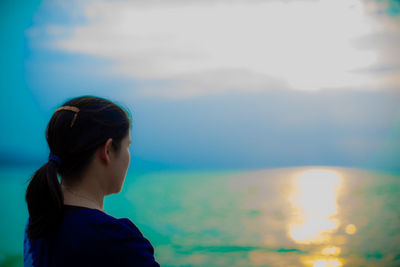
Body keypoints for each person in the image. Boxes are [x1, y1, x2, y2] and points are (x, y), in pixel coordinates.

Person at [24, 96, 160, 267]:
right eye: (127, 146)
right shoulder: (117, 240)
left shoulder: (38, 223)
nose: (128, 155)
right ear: (108, 150)